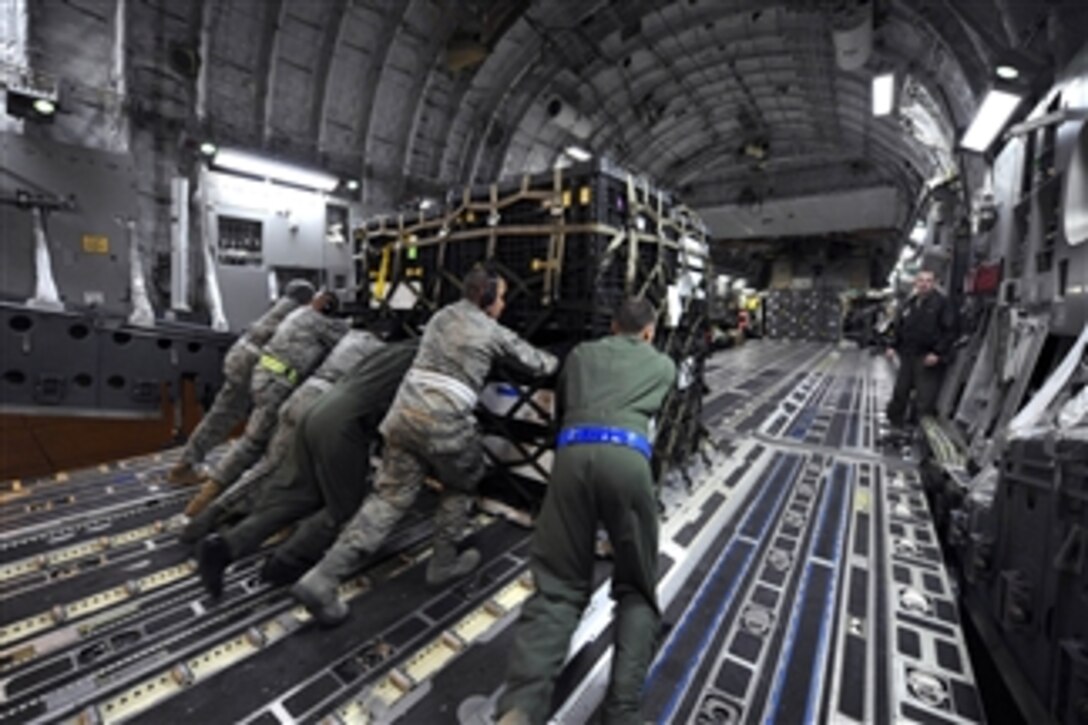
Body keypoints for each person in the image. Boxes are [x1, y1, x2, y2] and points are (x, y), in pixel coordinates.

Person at [291, 263, 559, 625]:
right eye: (502, 298)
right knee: (462, 480)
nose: (504, 305)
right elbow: (540, 365)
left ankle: (323, 578)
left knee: (388, 498)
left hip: (403, 417)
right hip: (444, 424)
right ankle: (443, 563)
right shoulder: (491, 330)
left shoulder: (440, 317)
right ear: (487, 298)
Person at [496, 297, 676, 725]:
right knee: (635, 587)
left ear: (612, 326)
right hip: (628, 460)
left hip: (572, 456)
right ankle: (622, 711)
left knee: (557, 586)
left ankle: (520, 708)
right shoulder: (663, 365)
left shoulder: (579, 355)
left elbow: (561, 410)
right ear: (649, 331)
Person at [191, 340, 420, 598]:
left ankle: (224, 548)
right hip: (342, 426)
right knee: (344, 508)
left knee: (299, 496)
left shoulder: (399, 348)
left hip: (317, 411)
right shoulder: (429, 362)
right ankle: (286, 562)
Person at [183, 326, 385, 518]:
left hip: (295, 396)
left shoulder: (349, 337)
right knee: (277, 468)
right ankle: (220, 513)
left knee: (260, 454)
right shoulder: (380, 353)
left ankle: (207, 500)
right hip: (314, 405)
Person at [190, 290, 349, 512]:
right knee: (255, 444)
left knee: (261, 439)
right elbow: (349, 337)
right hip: (276, 385)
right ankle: (212, 497)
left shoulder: (300, 313)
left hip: (264, 378)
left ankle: (218, 491)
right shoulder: (319, 322)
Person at [167, 279, 315, 486]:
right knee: (266, 420)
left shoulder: (280, 306)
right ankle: (264, 472)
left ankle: (186, 464)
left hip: (239, 357)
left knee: (221, 414)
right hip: (253, 366)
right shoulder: (299, 314)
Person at [885, 269, 957, 430]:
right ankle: (894, 424)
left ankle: (919, 430)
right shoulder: (909, 303)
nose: (924, 284)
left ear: (934, 283)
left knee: (924, 398)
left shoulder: (942, 304)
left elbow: (949, 331)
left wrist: (937, 353)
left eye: (928, 281)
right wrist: (892, 345)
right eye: (921, 280)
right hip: (908, 354)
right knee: (900, 391)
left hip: (927, 357)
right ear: (915, 283)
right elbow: (899, 327)